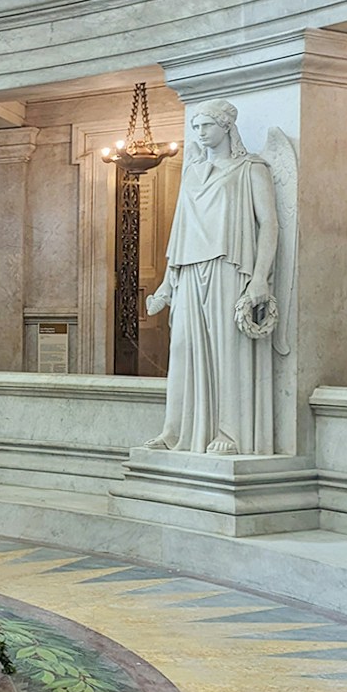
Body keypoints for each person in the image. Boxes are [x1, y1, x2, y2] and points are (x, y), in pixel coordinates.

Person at [144, 101, 276, 456]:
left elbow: (270, 225)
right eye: (196, 127)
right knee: (183, 349)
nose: (200, 133)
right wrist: (167, 284)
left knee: (225, 351)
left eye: (206, 126)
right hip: (188, 270)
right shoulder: (192, 172)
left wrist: (260, 277)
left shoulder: (251, 170)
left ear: (226, 127)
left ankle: (228, 432)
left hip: (227, 268)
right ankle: (176, 432)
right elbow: (180, 230)